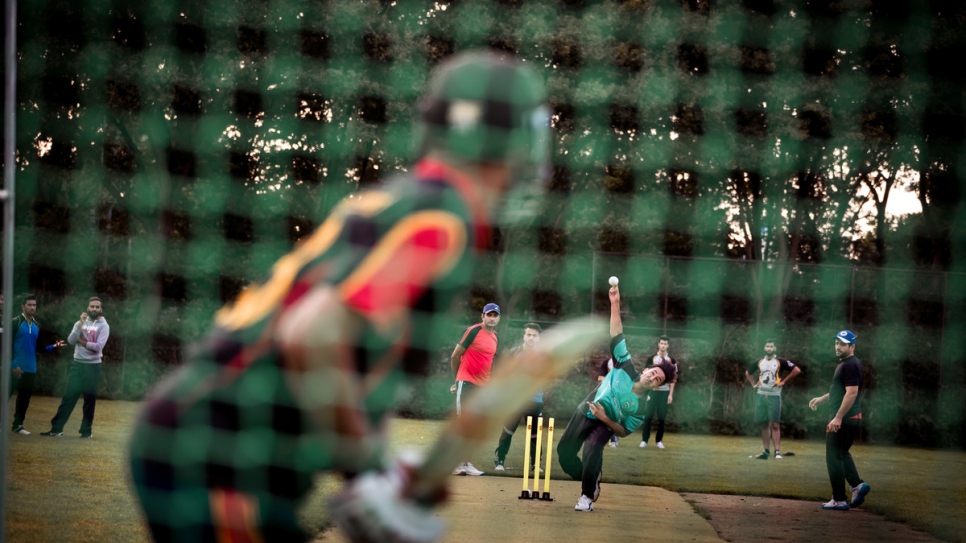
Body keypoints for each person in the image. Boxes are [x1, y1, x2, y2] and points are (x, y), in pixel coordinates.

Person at [128, 50, 550, 542]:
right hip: (218, 450)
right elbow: (314, 334)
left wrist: (374, 471)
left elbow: (337, 361)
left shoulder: (412, 198)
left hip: (211, 440)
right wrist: (371, 470)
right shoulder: (443, 215)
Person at [557, 284, 677, 512]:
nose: (653, 377)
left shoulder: (641, 407)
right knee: (564, 455)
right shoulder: (625, 365)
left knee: (593, 449)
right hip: (587, 409)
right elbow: (616, 334)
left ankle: (587, 496)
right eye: (653, 372)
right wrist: (615, 303)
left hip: (606, 423)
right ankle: (592, 477)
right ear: (645, 370)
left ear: (656, 387)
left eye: (658, 379)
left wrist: (605, 418)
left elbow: (623, 431)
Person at [808, 330, 871, 511]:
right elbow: (841, 390)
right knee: (842, 453)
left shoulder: (850, 365)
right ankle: (858, 486)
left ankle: (839, 499)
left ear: (852, 346)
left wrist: (838, 417)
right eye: (836, 343)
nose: (837, 346)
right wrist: (822, 399)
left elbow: (851, 393)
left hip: (844, 418)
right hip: (851, 417)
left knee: (833, 457)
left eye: (842, 344)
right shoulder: (848, 363)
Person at [39, 296, 109, 438]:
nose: (94, 309)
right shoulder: (79, 323)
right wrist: (79, 326)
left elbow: (98, 347)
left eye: (97, 307)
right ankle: (56, 429)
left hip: (93, 367)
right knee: (68, 398)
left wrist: (81, 340)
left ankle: (86, 432)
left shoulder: (104, 326)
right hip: (77, 365)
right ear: (88, 308)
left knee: (89, 401)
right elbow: (71, 340)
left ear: (101, 309)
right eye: (92, 306)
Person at [450, 302, 501, 476]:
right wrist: (456, 380)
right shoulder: (473, 331)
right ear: (483, 316)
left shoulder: (495, 337)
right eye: (489, 315)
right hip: (466, 383)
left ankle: (466, 462)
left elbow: (488, 363)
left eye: (495, 315)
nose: (492, 318)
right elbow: (455, 356)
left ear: (498, 318)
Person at [9, 293, 66, 434]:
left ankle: (18, 425)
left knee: (24, 400)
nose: (32, 307)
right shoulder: (15, 322)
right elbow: (7, 345)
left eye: (34, 305)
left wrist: (54, 346)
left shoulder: (37, 325)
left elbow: (39, 348)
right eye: (29, 305)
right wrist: (14, 364)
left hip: (30, 369)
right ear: (23, 306)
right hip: (14, 368)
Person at [493, 322, 543, 471]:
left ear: (539, 338)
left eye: (534, 335)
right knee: (508, 431)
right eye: (529, 335)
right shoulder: (515, 353)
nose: (531, 338)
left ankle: (535, 464)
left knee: (534, 435)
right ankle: (500, 461)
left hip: (535, 400)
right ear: (524, 336)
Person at [745, 339, 801, 459]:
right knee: (763, 424)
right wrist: (753, 384)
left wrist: (784, 382)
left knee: (775, 424)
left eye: (771, 347)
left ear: (774, 348)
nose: (769, 348)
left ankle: (777, 452)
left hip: (774, 396)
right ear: (764, 348)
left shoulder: (780, 361)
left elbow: (796, 370)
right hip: (760, 395)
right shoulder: (760, 361)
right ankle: (766, 451)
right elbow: (747, 373)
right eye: (767, 346)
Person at [638, 335, 679, 449]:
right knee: (648, 416)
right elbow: (645, 374)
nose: (663, 345)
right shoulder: (652, 358)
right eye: (661, 343)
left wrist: (670, 395)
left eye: (665, 344)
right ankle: (644, 441)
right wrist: (648, 390)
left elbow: (673, 379)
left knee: (662, 418)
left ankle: (659, 441)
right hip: (652, 392)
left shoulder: (672, 360)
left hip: (664, 392)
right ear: (658, 344)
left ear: (668, 345)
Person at [597, 357, 619, 448]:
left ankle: (614, 439)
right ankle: (610, 438)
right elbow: (600, 378)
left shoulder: (625, 363)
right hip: (606, 392)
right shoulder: (607, 362)